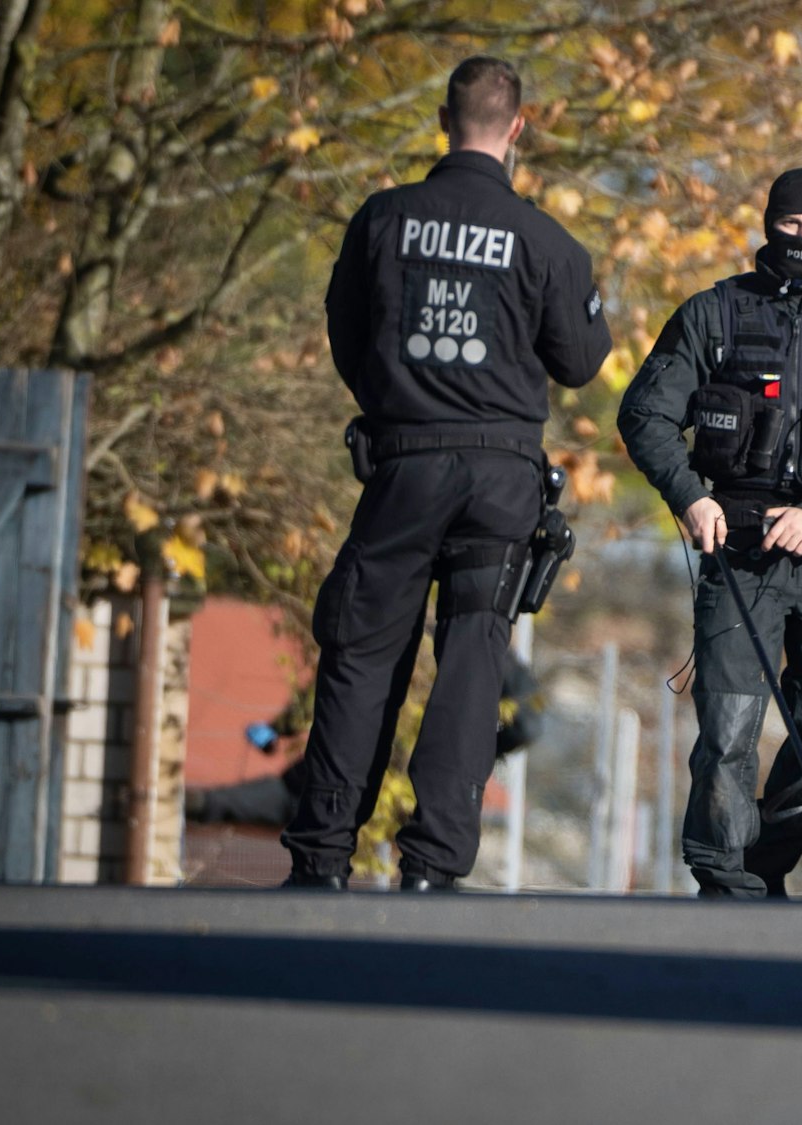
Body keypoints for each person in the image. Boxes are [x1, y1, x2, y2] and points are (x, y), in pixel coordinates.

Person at [281, 56, 611, 891]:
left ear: (442, 119)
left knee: (361, 652)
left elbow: (347, 333)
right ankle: (429, 863)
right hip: (500, 480)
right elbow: (580, 361)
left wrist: (396, 402)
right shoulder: (544, 241)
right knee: (472, 658)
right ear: (519, 128)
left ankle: (323, 856)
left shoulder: (383, 219)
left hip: (403, 465)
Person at [619, 168, 802, 899]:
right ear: (769, 222)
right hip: (735, 542)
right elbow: (645, 415)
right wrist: (689, 497)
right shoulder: (713, 314)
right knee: (728, 728)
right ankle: (725, 881)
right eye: (793, 225)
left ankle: (762, 858)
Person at [189, 656, 545, 829]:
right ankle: (197, 804)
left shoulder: (399, 623)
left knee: (302, 801)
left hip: (358, 765)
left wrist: (276, 730)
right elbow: (526, 727)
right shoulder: (486, 655)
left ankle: (201, 804)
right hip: (398, 786)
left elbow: (334, 683)